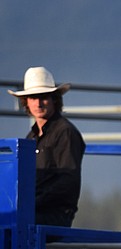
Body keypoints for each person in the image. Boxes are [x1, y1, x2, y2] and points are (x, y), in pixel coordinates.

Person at [8, 66, 85, 229]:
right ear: (26, 102)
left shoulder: (66, 132)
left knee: (12, 226)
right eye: (33, 97)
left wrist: (31, 202)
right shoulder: (32, 137)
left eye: (43, 97)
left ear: (54, 100)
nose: (38, 103)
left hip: (55, 214)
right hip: (34, 211)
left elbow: (67, 182)